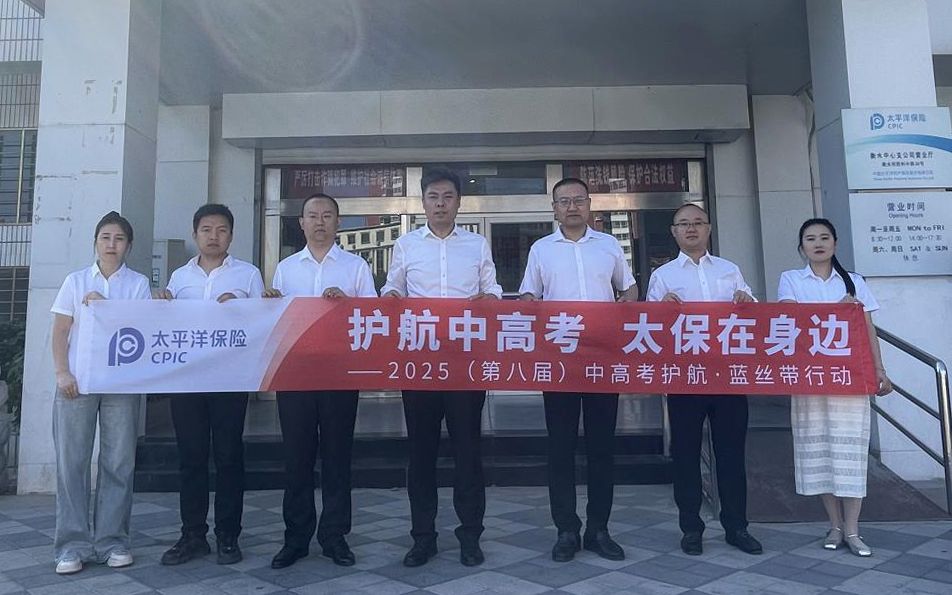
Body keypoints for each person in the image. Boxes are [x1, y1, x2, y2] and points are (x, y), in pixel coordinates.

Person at [381, 167, 502, 568]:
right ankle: (423, 537)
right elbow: (393, 286)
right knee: (421, 453)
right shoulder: (406, 245)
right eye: (433, 197)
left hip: (465, 363)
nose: (440, 204)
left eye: (448, 197)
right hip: (420, 362)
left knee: (468, 451)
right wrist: (392, 296)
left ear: (458, 202)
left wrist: (490, 299)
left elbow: (492, 288)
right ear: (423, 202)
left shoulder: (477, 245)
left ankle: (470, 536)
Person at [519, 177, 638, 562]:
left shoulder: (608, 245)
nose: (572, 207)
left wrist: (625, 305)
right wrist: (528, 305)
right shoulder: (541, 249)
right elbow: (529, 293)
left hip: (602, 359)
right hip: (560, 361)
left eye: (578, 200)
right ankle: (566, 530)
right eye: (564, 201)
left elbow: (629, 288)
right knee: (561, 447)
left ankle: (599, 529)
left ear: (589, 205)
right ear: (554, 208)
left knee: (602, 447)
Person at [264, 194, 377, 569]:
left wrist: (347, 303)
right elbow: (277, 320)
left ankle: (334, 536)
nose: (319, 222)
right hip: (294, 375)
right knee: (296, 458)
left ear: (338, 223)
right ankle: (295, 538)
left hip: (339, 374)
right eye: (312, 215)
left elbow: (373, 314)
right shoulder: (286, 268)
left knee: (337, 457)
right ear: (301, 223)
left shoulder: (355, 266)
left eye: (327, 215)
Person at [645, 204, 763, 556]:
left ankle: (736, 526)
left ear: (709, 228)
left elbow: (754, 312)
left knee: (731, 454)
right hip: (685, 377)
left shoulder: (729, 270)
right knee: (685, 455)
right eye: (684, 224)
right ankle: (691, 528)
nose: (691, 229)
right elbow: (649, 327)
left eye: (698, 222)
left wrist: (747, 300)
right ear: (674, 232)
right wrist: (660, 309)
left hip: (728, 377)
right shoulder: (663, 276)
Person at [778, 218, 892, 557]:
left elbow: (868, 329)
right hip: (810, 377)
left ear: (835, 243)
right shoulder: (791, 280)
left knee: (849, 453)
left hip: (849, 378)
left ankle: (853, 529)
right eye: (810, 238)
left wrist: (880, 370)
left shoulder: (854, 282)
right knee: (820, 452)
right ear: (801, 247)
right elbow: (790, 319)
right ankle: (835, 525)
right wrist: (835, 311)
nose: (818, 243)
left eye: (824, 237)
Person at [158, 204, 264, 566]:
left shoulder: (248, 275)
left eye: (221, 230)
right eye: (206, 230)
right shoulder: (179, 278)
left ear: (231, 236)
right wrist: (161, 303)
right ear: (195, 235)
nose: (213, 236)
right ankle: (192, 535)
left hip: (230, 379)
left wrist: (241, 308)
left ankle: (228, 536)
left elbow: (262, 324)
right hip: (187, 380)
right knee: (191, 458)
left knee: (229, 457)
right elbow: (167, 324)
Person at [50, 211, 152, 575]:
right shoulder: (75, 281)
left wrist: (107, 309)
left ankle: (113, 541)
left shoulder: (138, 284)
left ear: (129, 245)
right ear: (95, 242)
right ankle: (71, 545)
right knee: (72, 464)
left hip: (121, 386)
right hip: (76, 384)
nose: (112, 244)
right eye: (105, 237)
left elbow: (141, 328)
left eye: (119, 238)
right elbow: (60, 331)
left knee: (119, 463)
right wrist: (62, 372)